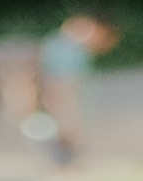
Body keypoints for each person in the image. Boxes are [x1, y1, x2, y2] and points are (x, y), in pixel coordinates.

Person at [34, 12, 119, 163]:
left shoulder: (61, 46)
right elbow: (61, 83)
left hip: (61, 103)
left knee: (62, 137)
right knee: (64, 138)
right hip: (62, 105)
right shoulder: (69, 51)